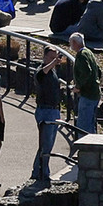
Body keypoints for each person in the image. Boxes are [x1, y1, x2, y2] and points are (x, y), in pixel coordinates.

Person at [32, 48, 64, 183]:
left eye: (55, 58)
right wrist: (53, 63)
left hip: (53, 111)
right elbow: (42, 73)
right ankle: (41, 173)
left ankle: (39, 171)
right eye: (51, 57)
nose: (53, 60)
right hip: (45, 111)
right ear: (44, 57)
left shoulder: (53, 71)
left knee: (48, 145)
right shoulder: (41, 71)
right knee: (45, 145)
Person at [70, 33, 102, 135]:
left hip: (87, 94)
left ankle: (84, 147)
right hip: (95, 92)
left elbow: (86, 72)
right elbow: (98, 70)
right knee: (91, 123)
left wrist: (78, 86)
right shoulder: (89, 52)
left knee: (83, 125)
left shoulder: (81, 56)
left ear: (75, 43)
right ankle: (92, 146)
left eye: (71, 43)